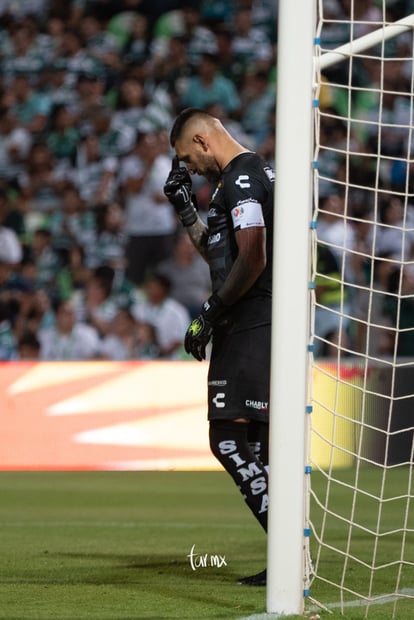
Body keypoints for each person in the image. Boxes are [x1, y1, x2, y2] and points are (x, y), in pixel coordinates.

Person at [163, 107, 274, 585]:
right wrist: (186, 209)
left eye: (190, 158)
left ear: (205, 142)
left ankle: (291, 545)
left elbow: (252, 255)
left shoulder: (244, 177)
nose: (193, 168)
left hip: (251, 321)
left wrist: (209, 312)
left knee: (227, 437)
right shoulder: (243, 179)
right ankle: (290, 557)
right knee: (259, 444)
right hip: (261, 321)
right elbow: (223, 252)